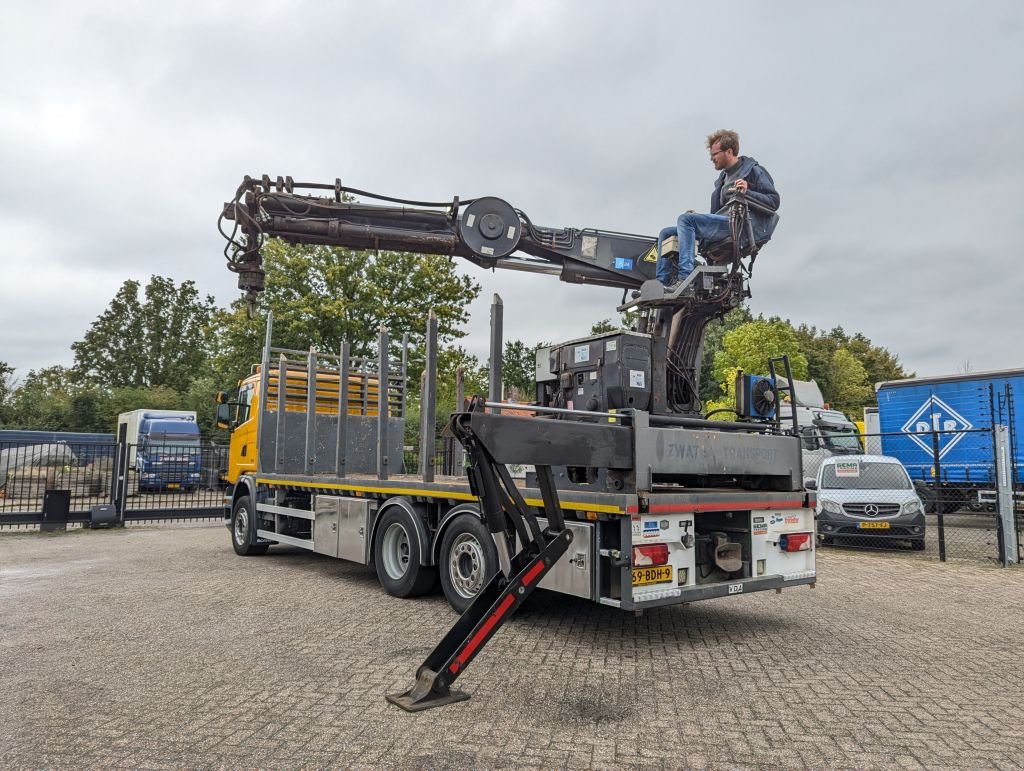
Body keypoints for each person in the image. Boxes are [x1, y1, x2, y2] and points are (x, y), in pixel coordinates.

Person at [657, 129, 780, 289]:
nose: (711, 159)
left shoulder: (752, 170)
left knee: (685, 220)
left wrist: (748, 192)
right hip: (723, 223)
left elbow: (774, 202)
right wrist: (698, 217)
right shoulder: (722, 180)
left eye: (715, 154)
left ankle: (684, 279)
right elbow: (716, 215)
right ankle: (661, 283)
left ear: (729, 151)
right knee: (666, 233)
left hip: (738, 226)